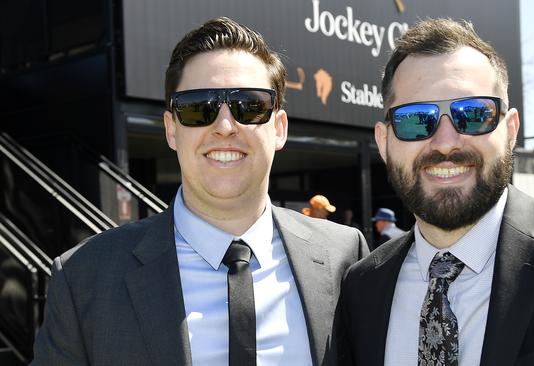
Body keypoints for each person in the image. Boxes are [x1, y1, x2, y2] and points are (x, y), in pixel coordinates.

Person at [32, 17, 368, 366]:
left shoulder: (344, 257)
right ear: (171, 130)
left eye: (250, 106)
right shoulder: (84, 277)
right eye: (198, 107)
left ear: (279, 128)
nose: (224, 126)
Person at [337, 18, 534, 366]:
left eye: (473, 114)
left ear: (511, 129)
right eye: (415, 119)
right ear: (384, 141)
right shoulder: (362, 286)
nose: (445, 143)